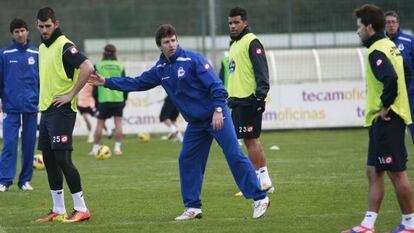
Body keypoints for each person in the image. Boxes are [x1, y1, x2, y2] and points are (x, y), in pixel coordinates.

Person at [89, 24, 270, 220]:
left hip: (217, 115)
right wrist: (106, 82)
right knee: (187, 160)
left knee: (234, 154)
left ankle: (260, 197)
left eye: (173, 40)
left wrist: (218, 110)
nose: (171, 45)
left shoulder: (193, 59)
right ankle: (193, 207)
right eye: (166, 42)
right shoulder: (160, 69)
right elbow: (136, 82)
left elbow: (217, 87)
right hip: (196, 123)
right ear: (159, 46)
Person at [342, 4, 414, 233]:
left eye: (359, 27)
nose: (357, 32)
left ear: (369, 27)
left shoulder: (377, 51)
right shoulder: (390, 46)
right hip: (381, 121)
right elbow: (407, 73)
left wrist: (386, 106)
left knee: (396, 173)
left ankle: (410, 224)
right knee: (373, 170)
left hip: (388, 120)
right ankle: (368, 225)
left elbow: (391, 80)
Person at [35, 7, 93, 223]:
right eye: (41, 26)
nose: (44, 30)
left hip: (62, 111)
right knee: (49, 160)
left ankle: (81, 208)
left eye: (48, 26)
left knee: (62, 159)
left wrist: (70, 95)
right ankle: (58, 209)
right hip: (46, 111)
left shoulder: (65, 46)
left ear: (56, 24)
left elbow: (88, 67)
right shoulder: (42, 47)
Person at [227, 7, 274, 195]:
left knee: (250, 140)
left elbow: (262, 71)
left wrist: (260, 96)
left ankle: (257, 182)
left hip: (249, 100)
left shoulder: (251, 41)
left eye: (236, 22)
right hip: (237, 101)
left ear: (245, 23)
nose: (233, 26)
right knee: (251, 140)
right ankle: (265, 180)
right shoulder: (234, 44)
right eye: (230, 22)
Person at [0, 18, 39, 192]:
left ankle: (24, 181)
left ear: (28, 31)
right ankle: (5, 180)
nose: (20, 34)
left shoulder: (37, 53)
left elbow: (42, 80)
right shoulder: (5, 54)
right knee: (9, 144)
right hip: (11, 106)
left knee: (29, 144)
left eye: (23, 30)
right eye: (17, 31)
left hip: (31, 106)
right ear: (12, 34)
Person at [89, 44, 126, 156]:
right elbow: (125, 83)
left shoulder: (98, 65)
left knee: (100, 123)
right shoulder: (120, 66)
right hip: (118, 98)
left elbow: (94, 85)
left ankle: (95, 149)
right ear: (115, 53)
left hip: (103, 99)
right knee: (118, 123)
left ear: (104, 53)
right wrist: (125, 99)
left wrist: (95, 100)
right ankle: (117, 149)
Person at [384, 10, 414, 144]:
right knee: (395, 130)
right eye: (388, 22)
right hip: (393, 95)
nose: (391, 25)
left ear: (398, 23)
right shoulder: (381, 43)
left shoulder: (409, 40)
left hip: (411, 93)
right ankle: (402, 160)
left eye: (393, 22)